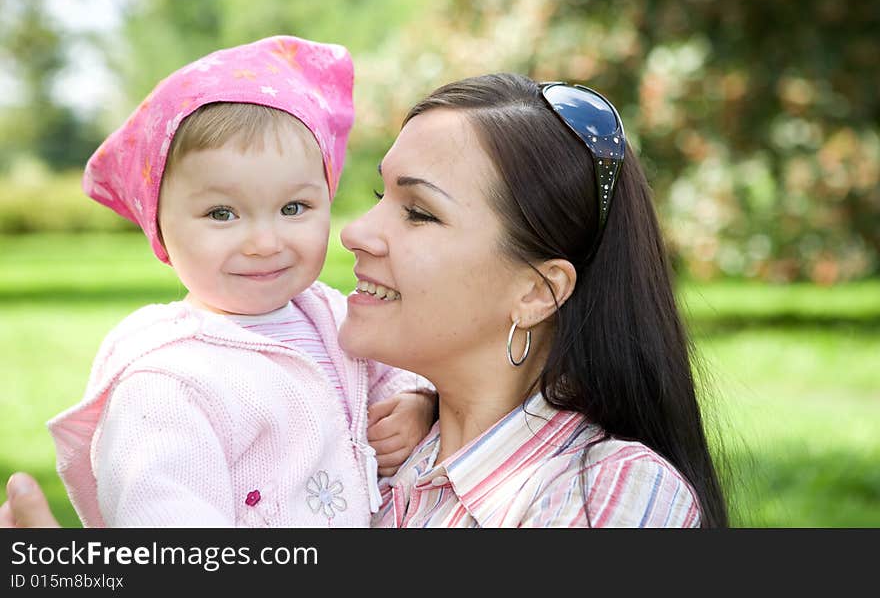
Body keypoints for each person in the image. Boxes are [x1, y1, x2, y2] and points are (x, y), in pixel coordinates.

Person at [3, 72, 728, 528]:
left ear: (536, 291)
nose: (354, 231)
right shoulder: (394, 452)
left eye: (418, 211)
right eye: (382, 194)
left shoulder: (608, 498)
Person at [37, 35, 436, 528]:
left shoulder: (333, 317)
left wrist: (418, 404)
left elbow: (398, 370)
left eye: (294, 208)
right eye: (222, 213)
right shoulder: (168, 381)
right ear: (158, 228)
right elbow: (163, 515)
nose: (265, 242)